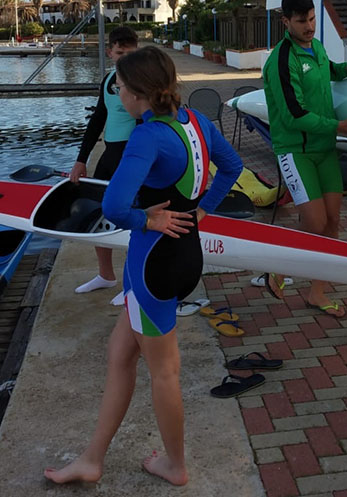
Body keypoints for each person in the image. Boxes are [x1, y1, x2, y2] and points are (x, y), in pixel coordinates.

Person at [43, 46, 243, 486]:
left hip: (153, 263)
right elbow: (232, 166)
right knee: (120, 354)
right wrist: (203, 209)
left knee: (165, 372)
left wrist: (146, 218)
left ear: (138, 94)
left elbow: (114, 205)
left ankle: (176, 465)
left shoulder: (147, 137)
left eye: (120, 86)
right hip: (183, 252)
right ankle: (92, 458)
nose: (115, 91)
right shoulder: (197, 121)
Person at [261, 0, 347, 317]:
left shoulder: (317, 47)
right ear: (285, 21)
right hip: (295, 151)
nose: (309, 26)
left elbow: (326, 70)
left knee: (333, 221)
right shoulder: (281, 60)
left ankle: (317, 293)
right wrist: (341, 127)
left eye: (312, 19)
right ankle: (277, 269)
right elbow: (295, 115)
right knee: (315, 220)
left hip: (324, 150)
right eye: (301, 21)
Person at [71, 26, 139, 306]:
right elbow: (97, 120)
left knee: (135, 221)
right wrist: (81, 159)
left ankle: (134, 285)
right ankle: (106, 275)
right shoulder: (108, 80)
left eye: (130, 53)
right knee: (99, 213)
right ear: (110, 52)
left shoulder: (141, 81)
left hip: (134, 154)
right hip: (110, 154)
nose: (123, 58)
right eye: (119, 53)